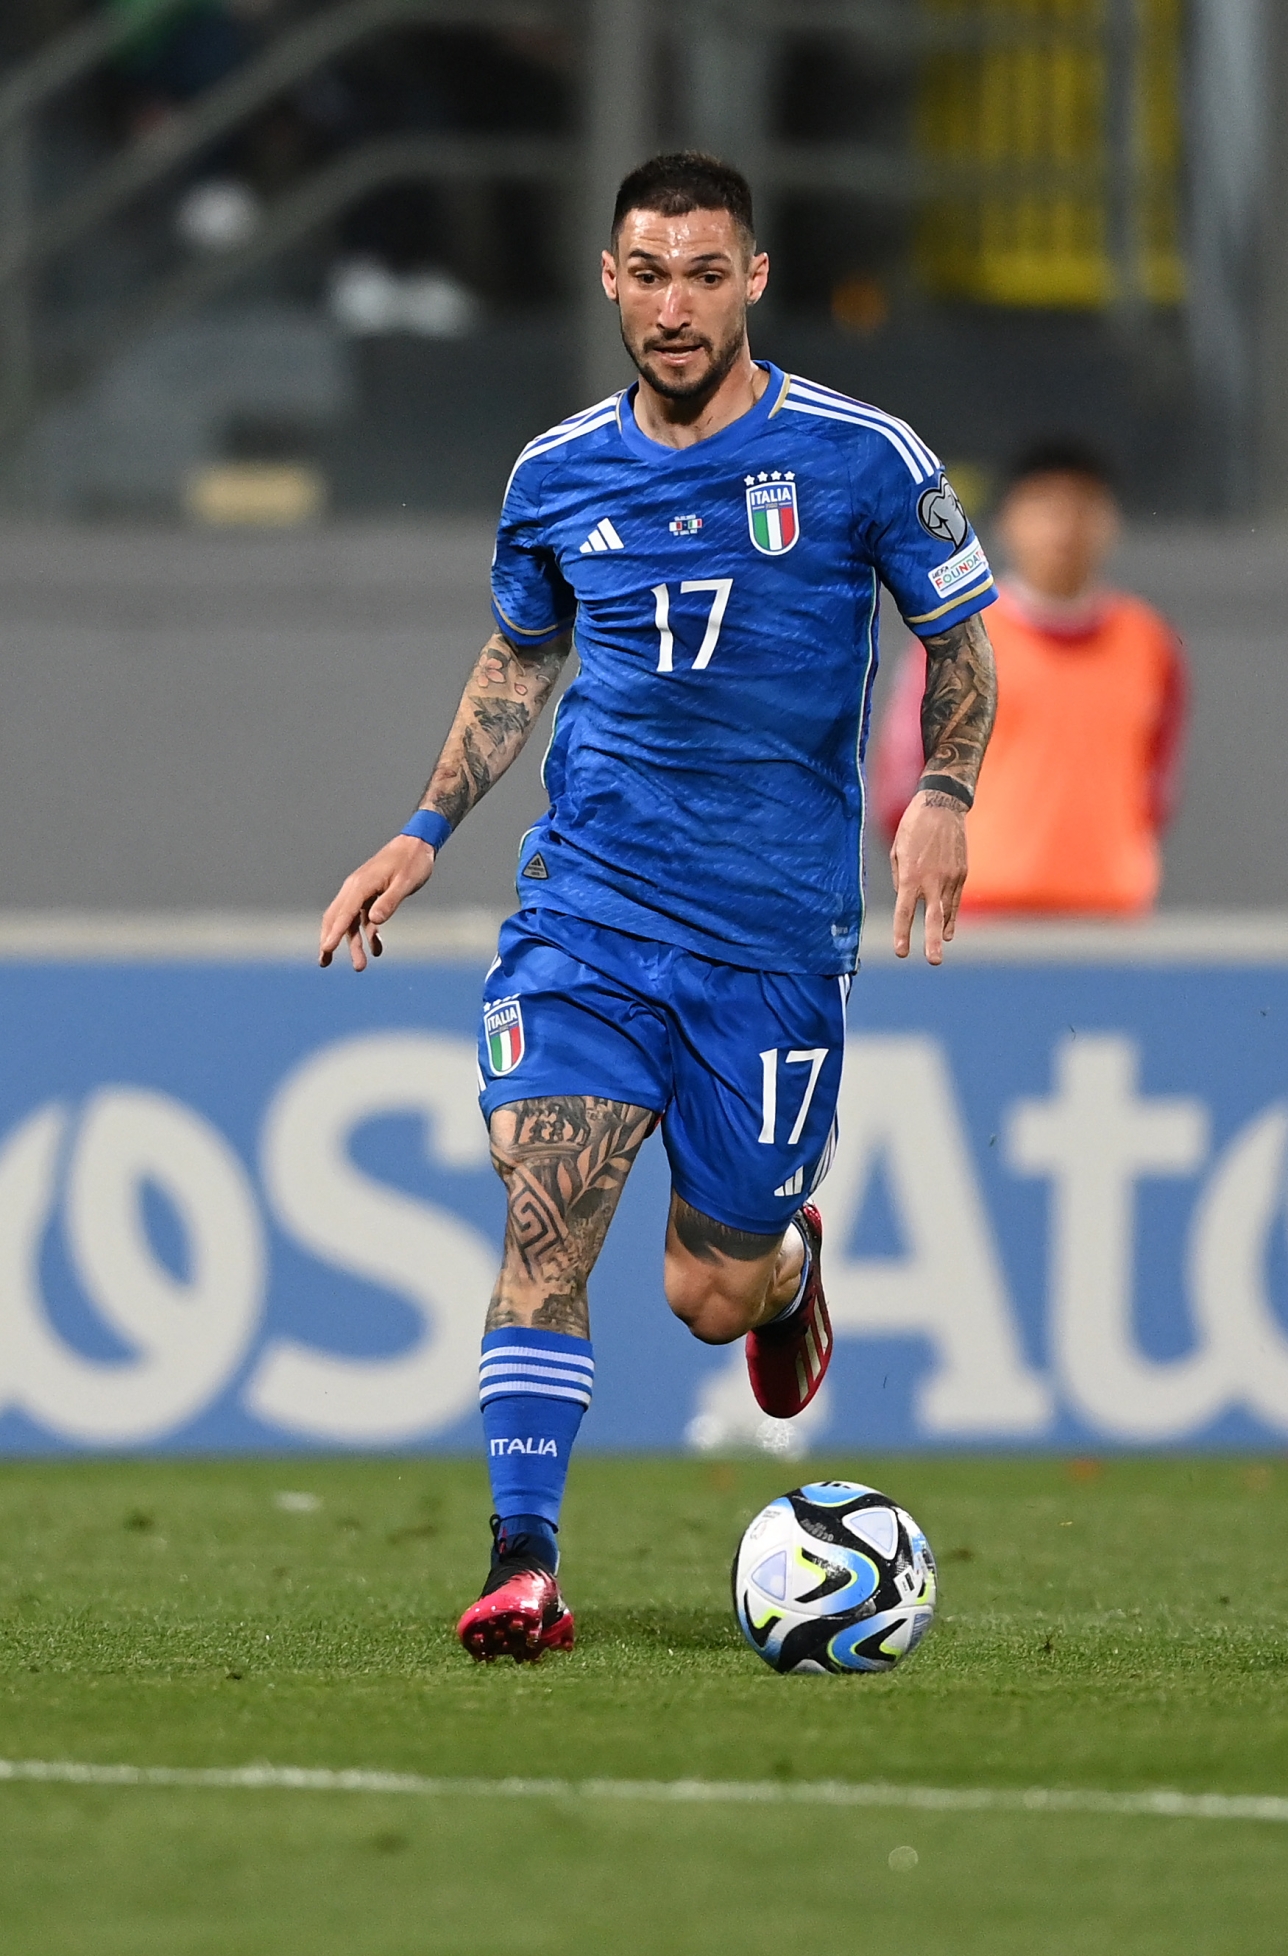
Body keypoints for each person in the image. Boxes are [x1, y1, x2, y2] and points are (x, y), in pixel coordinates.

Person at [318, 153, 1000, 1663]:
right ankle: (522, 1563)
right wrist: (428, 824)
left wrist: (941, 796)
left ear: (753, 278)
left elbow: (959, 648)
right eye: (647, 272)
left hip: (767, 938)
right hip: (590, 908)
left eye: (704, 273)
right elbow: (519, 660)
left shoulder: (858, 456)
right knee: (544, 1212)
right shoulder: (554, 473)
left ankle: (785, 1273)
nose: (674, 303)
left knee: (707, 1288)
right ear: (609, 280)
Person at [873, 439, 1188, 916]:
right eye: (1046, 507)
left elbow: (1156, 783)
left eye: (1083, 507)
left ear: (1111, 522)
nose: (1064, 528)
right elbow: (901, 780)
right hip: (981, 918)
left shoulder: (1149, 642)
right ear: (1008, 521)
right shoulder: (961, 639)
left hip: (1112, 919)